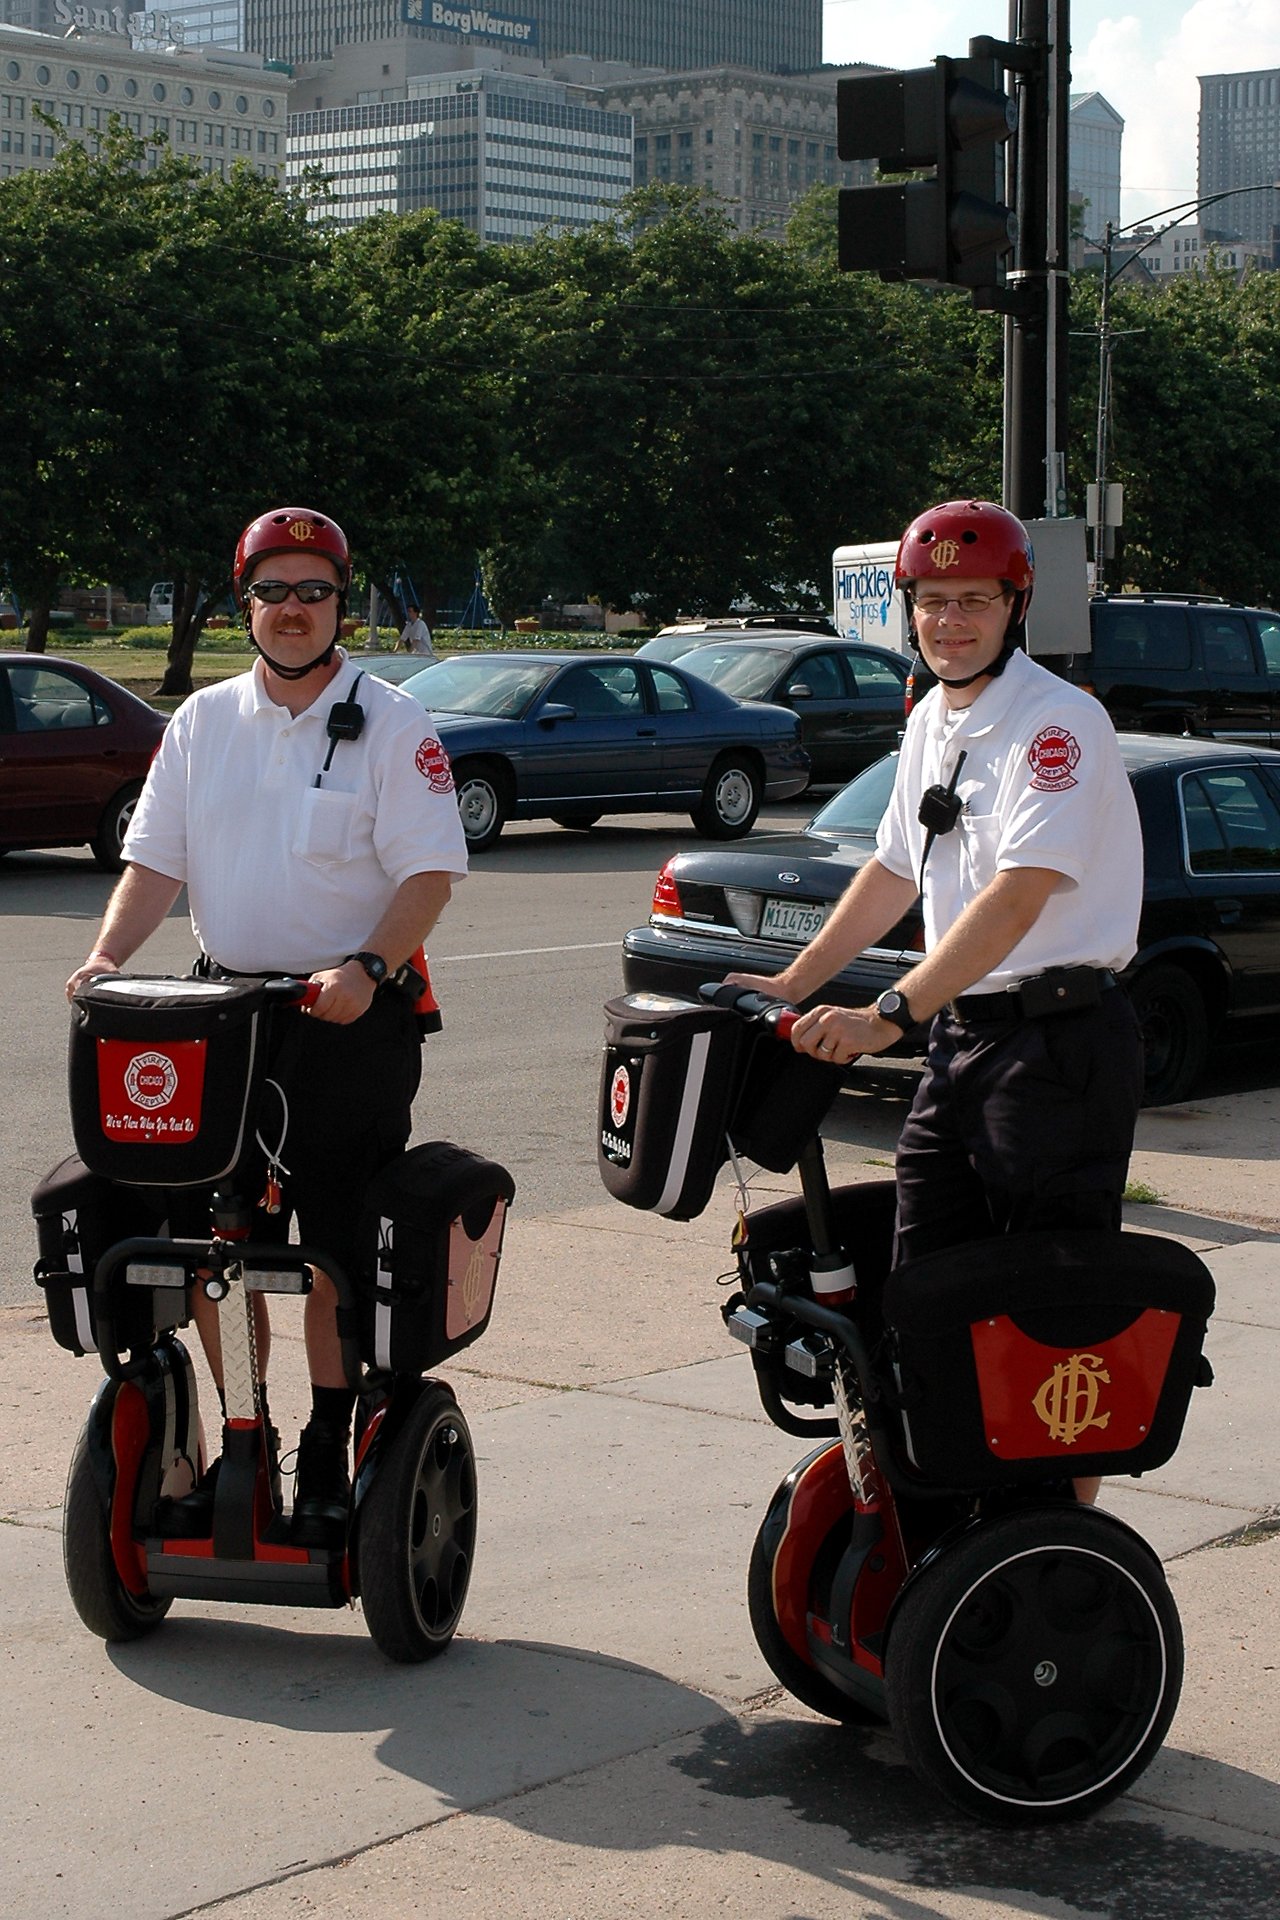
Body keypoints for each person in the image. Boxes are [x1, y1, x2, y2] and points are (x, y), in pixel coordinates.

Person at [728, 499, 1145, 1504]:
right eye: (930, 600)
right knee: (926, 1286)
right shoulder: (930, 717)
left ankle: (1058, 1537)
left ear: (1014, 606)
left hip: (1057, 1046)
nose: (948, 619)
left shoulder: (1057, 724)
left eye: (972, 600)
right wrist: (791, 981)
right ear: (907, 608)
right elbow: (891, 871)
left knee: (1050, 1304)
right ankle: (953, 1500)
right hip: (966, 1042)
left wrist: (889, 1014)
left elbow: (1014, 896)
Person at [65, 506, 468, 1543]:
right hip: (221, 1017)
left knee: (331, 1250)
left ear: (343, 604)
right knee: (214, 1247)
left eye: (314, 592)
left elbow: (428, 871)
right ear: (245, 604)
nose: (293, 611)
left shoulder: (392, 723)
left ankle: (328, 1446)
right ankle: (246, 1430)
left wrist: (371, 966)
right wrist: (109, 957)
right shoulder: (202, 722)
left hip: (347, 1018)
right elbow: (155, 861)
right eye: (273, 592)